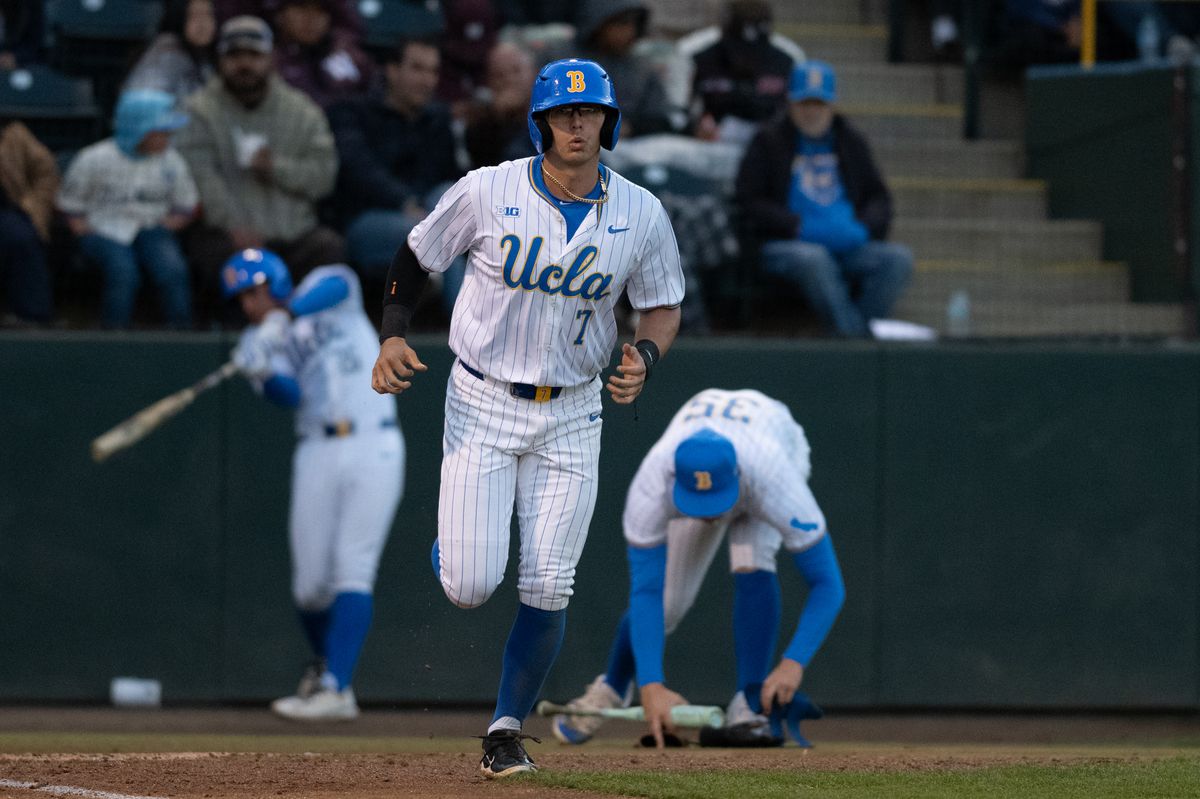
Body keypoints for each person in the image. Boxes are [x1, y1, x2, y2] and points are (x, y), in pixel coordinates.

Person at [370, 58, 685, 778]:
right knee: (471, 583)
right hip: (483, 396)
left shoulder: (641, 211)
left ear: (609, 119)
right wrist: (392, 331)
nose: (577, 124)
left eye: (589, 112)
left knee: (549, 583)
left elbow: (662, 302)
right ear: (540, 122)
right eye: (563, 113)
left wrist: (643, 351)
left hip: (573, 410)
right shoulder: (488, 189)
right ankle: (455, 542)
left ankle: (504, 729)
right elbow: (414, 257)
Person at [551, 388, 845, 749]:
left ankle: (749, 704)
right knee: (668, 603)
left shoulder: (773, 477)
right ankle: (612, 686)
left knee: (752, 559)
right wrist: (652, 685)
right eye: (698, 501)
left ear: (738, 477)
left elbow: (828, 584)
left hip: (774, 435)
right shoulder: (652, 485)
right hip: (714, 441)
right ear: (677, 480)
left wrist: (793, 663)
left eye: (716, 501)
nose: (709, 513)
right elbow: (647, 593)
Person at [222, 247, 404, 721]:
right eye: (242, 297)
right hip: (316, 448)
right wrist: (260, 369)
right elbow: (290, 394)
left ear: (276, 281)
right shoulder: (260, 340)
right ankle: (328, 671)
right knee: (308, 589)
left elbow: (341, 286)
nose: (249, 303)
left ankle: (335, 688)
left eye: (255, 290)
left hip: (373, 441)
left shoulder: (322, 285)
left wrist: (284, 316)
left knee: (352, 568)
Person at [175, 15, 343, 317]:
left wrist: (276, 168)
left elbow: (324, 177)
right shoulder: (199, 110)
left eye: (254, 55)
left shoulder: (302, 111)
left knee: (328, 248)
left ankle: (312, 341)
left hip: (291, 236)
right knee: (208, 252)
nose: (244, 64)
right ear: (220, 59)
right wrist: (234, 226)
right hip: (229, 236)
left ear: (271, 58)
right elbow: (198, 177)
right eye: (234, 55)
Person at [735, 61, 913, 339]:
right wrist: (795, 226)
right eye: (804, 103)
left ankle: (853, 338)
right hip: (786, 243)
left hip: (848, 245)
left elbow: (879, 197)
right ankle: (854, 344)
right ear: (791, 103)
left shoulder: (851, 141)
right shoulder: (767, 141)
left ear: (832, 105)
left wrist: (864, 228)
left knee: (897, 260)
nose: (811, 112)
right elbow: (749, 200)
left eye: (819, 104)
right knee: (814, 260)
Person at [328, 35, 464, 314]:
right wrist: (404, 203)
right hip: (369, 221)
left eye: (433, 71)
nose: (427, 80)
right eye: (417, 68)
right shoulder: (354, 113)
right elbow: (360, 171)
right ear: (392, 70)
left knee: (455, 201)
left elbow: (452, 178)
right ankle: (469, 336)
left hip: (427, 213)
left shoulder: (438, 119)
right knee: (430, 232)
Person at [57, 90, 198, 329]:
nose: (167, 137)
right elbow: (69, 207)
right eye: (161, 132)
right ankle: (113, 339)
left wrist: (168, 226)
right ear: (139, 129)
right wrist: (85, 232)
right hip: (102, 230)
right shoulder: (94, 158)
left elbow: (188, 205)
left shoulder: (171, 160)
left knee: (172, 270)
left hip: (153, 227)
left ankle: (182, 336)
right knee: (123, 271)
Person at [552, 0, 681, 137]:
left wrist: (629, 128)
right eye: (622, 23)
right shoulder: (560, 59)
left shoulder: (641, 67)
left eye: (634, 24)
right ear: (599, 22)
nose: (629, 31)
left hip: (629, 148)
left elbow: (660, 118)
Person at [689, 0, 796, 139]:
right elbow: (682, 114)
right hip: (712, 147)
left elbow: (797, 114)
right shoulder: (701, 60)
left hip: (769, 146)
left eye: (755, 52)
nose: (746, 59)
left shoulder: (785, 62)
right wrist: (696, 126)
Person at [269, 0, 373, 109]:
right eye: (301, 8)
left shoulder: (346, 57)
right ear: (280, 15)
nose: (310, 19)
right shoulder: (264, 57)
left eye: (320, 10)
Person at [123, 0, 219, 106]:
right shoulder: (167, 52)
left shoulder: (207, 56)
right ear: (179, 17)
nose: (202, 24)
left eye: (208, 15)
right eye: (193, 16)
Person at [462, 42, 538, 168]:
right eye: (499, 75)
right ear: (489, 83)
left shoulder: (553, 113)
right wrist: (498, 118)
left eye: (516, 71)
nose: (509, 80)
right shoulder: (480, 123)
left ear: (534, 74)